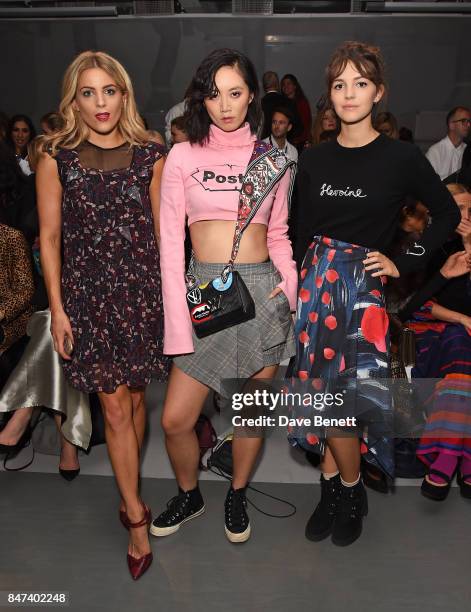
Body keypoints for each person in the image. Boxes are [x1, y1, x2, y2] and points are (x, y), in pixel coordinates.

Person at [292, 41, 460, 547]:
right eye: (339, 84)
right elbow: (300, 232)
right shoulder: (313, 159)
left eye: (360, 83)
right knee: (320, 398)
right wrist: (295, 289)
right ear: (330, 95)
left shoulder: (402, 157)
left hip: (362, 292)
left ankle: (349, 486)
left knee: (345, 402)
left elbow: (447, 214)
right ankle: (331, 488)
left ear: (378, 92)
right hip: (315, 288)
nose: (349, 93)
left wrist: (402, 260)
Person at [36, 50, 168, 580]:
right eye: (87, 93)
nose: (99, 103)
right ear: (75, 99)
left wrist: (176, 304)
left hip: (142, 297)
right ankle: (135, 515)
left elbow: (163, 236)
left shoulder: (150, 152)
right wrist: (58, 309)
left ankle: (129, 485)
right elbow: (48, 239)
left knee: (136, 404)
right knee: (114, 410)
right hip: (88, 300)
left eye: (108, 91)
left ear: (124, 94)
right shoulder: (56, 155)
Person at [156, 48, 296, 545]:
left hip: (262, 292)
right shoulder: (182, 155)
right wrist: (176, 322)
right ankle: (190, 493)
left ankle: (237, 492)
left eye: (235, 93)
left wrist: (290, 285)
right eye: (213, 95)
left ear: (252, 95)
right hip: (206, 295)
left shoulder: (272, 159)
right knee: (175, 419)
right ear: (201, 99)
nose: (225, 105)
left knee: (250, 415)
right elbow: (170, 244)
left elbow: (278, 234)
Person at [398, 183, 471, 501]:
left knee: (462, 350)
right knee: (458, 340)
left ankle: (447, 457)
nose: (466, 216)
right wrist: (461, 318)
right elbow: (408, 306)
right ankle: (462, 460)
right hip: (427, 335)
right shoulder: (422, 248)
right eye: (458, 210)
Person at [426, 106, 471, 180]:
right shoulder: (435, 151)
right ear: (451, 125)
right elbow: (428, 184)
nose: (469, 125)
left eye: (469, 121)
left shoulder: (468, 150)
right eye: (463, 121)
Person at [281, 73, 312, 149]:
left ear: (295, 86)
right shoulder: (281, 103)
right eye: (283, 84)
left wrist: (298, 140)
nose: (286, 86)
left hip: (299, 143)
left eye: (289, 84)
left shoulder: (302, 103)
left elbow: (305, 124)